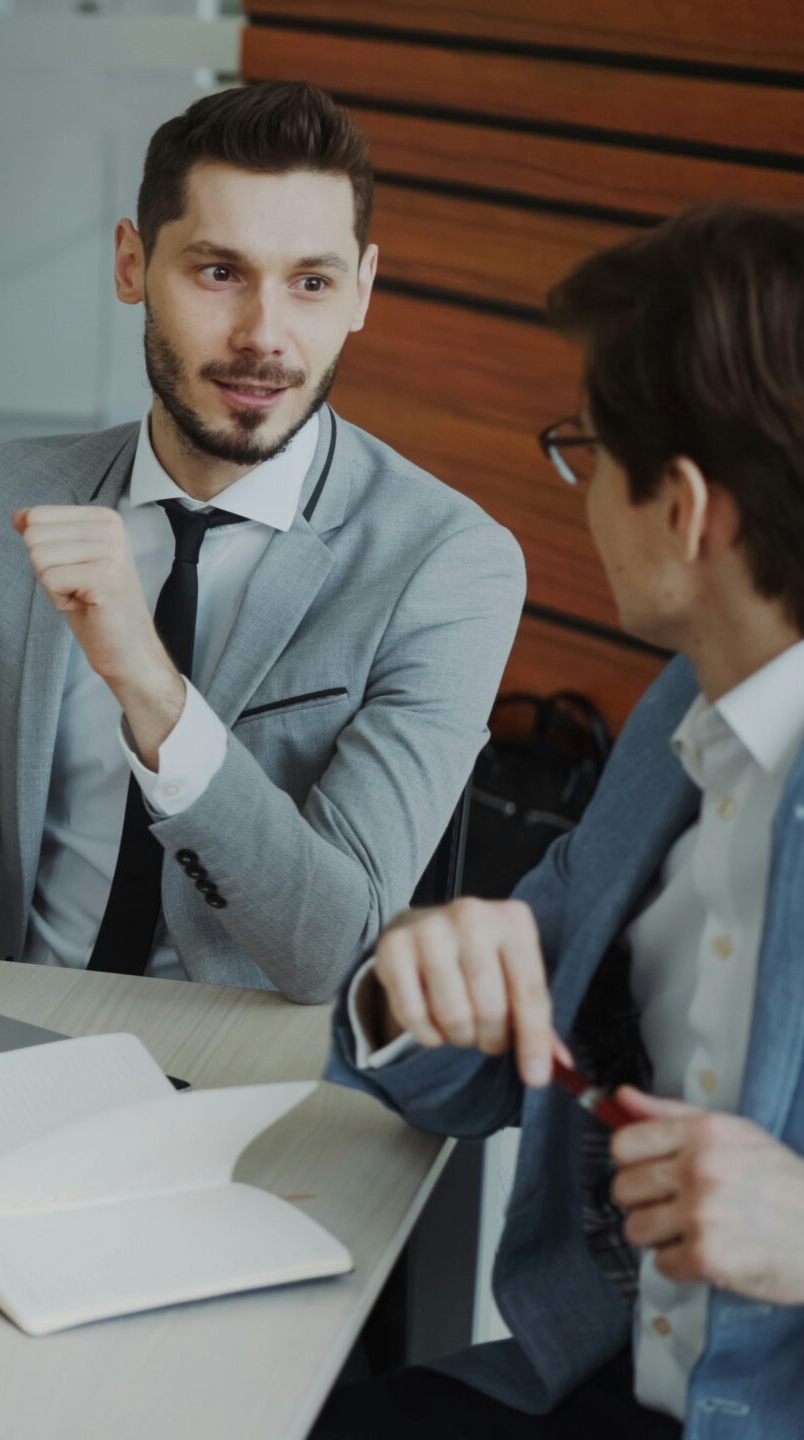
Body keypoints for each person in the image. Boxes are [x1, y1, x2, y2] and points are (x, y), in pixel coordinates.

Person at [0, 82, 524, 1000]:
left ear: (362, 291)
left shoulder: (447, 564)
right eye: (219, 272)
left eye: (311, 282)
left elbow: (341, 947)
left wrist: (153, 690)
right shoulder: (10, 493)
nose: (265, 337)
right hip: (0, 1019)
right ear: (132, 264)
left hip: (231, 1063)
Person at [316, 202, 804, 1436]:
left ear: (686, 510)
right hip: (584, 1384)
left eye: (586, 453)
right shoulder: (677, 718)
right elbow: (477, 1060)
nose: (579, 495)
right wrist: (406, 985)